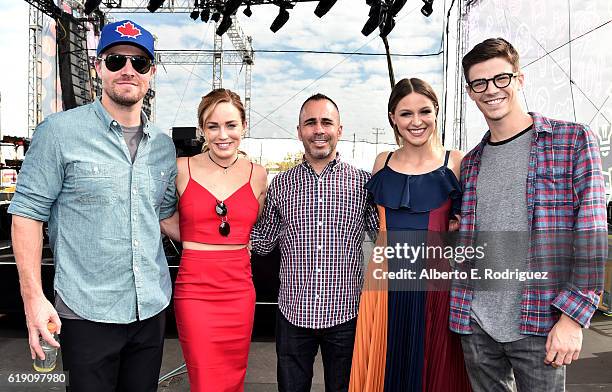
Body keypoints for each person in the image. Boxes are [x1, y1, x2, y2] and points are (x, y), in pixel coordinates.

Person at [9, 20, 177, 391]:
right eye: (116, 60)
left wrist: (231, 233)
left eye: (140, 63)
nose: (128, 70)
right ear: (98, 67)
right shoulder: (59, 132)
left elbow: (165, 216)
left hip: (150, 309)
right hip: (86, 313)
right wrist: (33, 299)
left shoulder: (163, 147)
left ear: (151, 73)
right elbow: (26, 216)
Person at [450, 37, 607, 391]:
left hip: (542, 322)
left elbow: (591, 236)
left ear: (519, 79)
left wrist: (572, 320)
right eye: (480, 83)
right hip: (476, 324)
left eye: (501, 78)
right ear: (471, 92)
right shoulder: (471, 162)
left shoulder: (573, 141)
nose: (491, 90)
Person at [348, 78, 471, 392]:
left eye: (424, 111)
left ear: (436, 112)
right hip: (385, 284)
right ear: (392, 117)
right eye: (406, 114)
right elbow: (374, 226)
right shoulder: (382, 162)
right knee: (386, 370)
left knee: (437, 373)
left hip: (436, 285)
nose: (416, 121)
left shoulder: (455, 162)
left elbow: (467, 229)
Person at [250, 93, 379, 392]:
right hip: (293, 315)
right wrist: (218, 230)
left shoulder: (362, 183)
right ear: (299, 131)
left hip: (346, 315)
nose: (318, 129)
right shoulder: (280, 184)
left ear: (339, 130)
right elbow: (265, 241)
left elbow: (384, 236)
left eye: (326, 122)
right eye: (310, 123)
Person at [161, 88, 267, 392]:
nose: (223, 135)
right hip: (195, 289)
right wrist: (197, 243)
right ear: (201, 129)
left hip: (239, 290)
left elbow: (247, 227)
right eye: (213, 126)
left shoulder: (258, 175)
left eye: (231, 125)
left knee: (234, 378)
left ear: (243, 127)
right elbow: (160, 217)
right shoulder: (181, 168)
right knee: (205, 379)